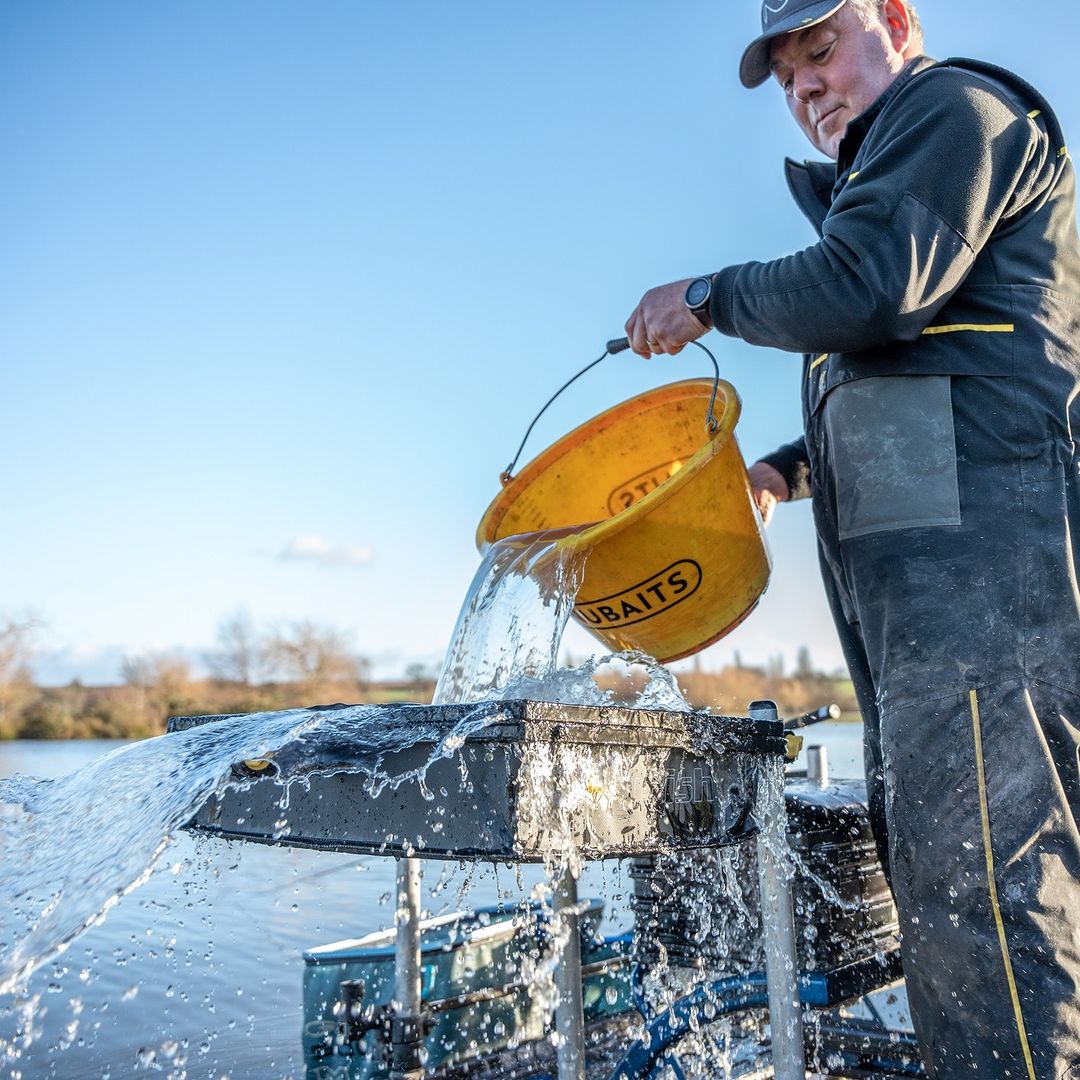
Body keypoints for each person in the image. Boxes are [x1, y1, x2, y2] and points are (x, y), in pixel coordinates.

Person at [623, 1, 1080, 1076]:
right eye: (787, 76)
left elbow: (872, 289)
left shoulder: (955, 111)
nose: (807, 88)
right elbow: (924, 397)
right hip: (932, 640)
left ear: (898, 20)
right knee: (955, 916)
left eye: (821, 49)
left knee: (996, 921)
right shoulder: (890, 193)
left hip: (992, 627)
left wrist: (707, 296)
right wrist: (782, 470)